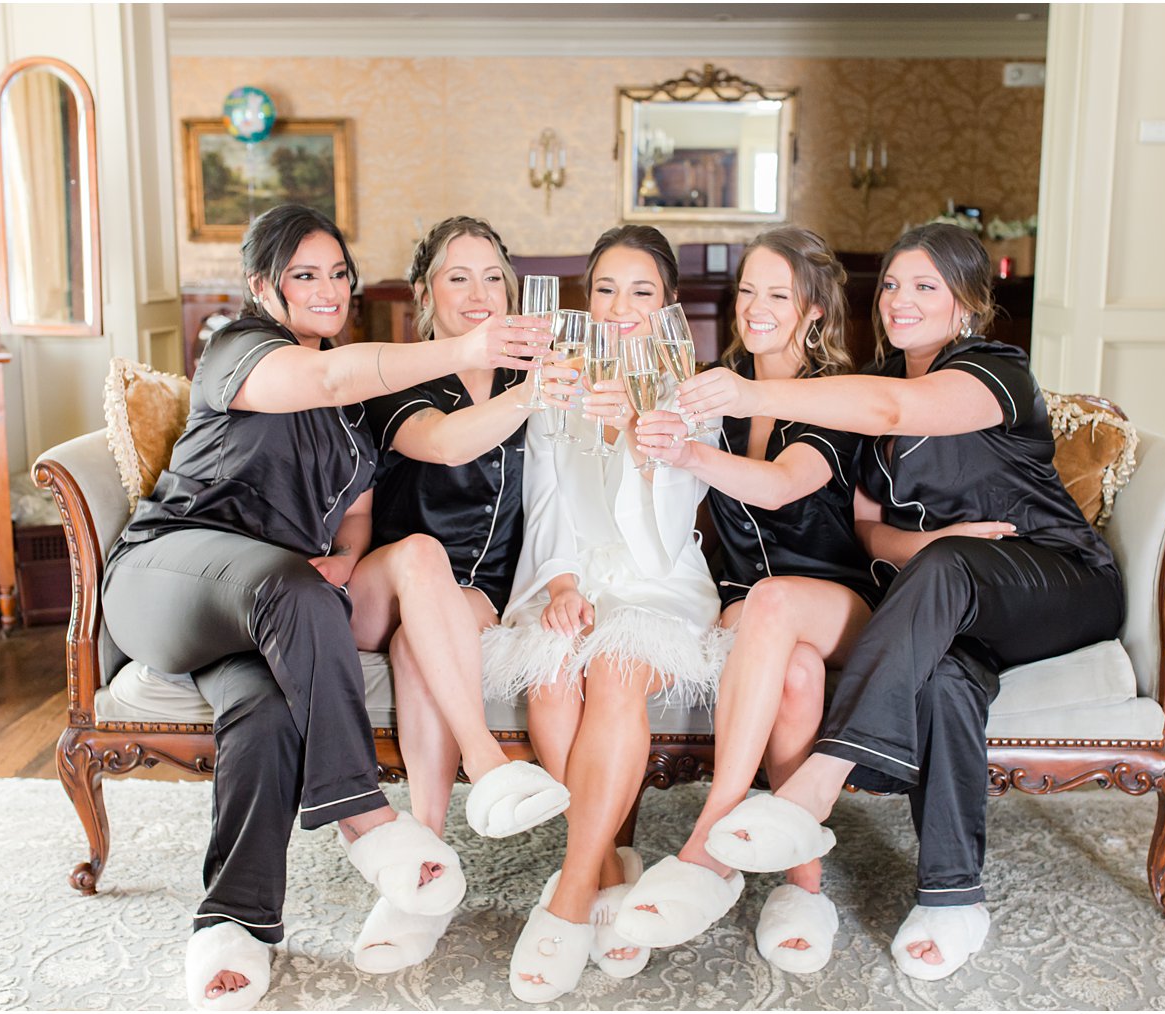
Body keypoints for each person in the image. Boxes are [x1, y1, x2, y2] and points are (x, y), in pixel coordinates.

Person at [99, 204, 563, 1011]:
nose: (328, 289)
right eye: (304, 274)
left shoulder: (356, 400)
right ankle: (366, 823)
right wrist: (464, 346)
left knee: (270, 710)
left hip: (267, 609)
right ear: (262, 286)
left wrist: (351, 558)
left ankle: (232, 921)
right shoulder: (239, 348)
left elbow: (354, 507)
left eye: (339, 274)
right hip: (168, 576)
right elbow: (327, 378)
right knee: (290, 585)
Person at [658, 222, 1125, 981]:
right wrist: (946, 546)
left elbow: (899, 412)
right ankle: (952, 896)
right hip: (949, 597)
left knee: (944, 569)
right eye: (894, 286)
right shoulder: (872, 386)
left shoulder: (995, 371)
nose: (902, 300)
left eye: (926, 286)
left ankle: (822, 775)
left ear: (968, 303)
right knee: (944, 674)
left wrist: (749, 387)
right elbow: (872, 535)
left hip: (1056, 578)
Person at [616, 227, 873, 974]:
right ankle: (804, 885)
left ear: (815, 311)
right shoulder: (714, 386)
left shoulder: (833, 398)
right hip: (750, 606)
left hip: (841, 605)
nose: (756, 307)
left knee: (772, 608)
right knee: (792, 672)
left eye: (778, 295)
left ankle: (711, 836)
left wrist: (689, 451)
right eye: (748, 291)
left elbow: (786, 483)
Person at [481, 225, 723, 1002]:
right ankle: (614, 862)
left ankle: (571, 895)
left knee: (616, 668)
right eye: (607, 291)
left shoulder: (695, 392)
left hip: (658, 581)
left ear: (668, 306)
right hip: (572, 575)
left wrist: (630, 426)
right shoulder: (559, 383)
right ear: (586, 303)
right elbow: (546, 506)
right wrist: (558, 587)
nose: (621, 308)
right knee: (552, 676)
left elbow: (668, 524)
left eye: (642, 292)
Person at [346, 216, 574, 972]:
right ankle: (487, 760)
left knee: (426, 638)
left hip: (472, 594)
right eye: (457, 277)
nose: (479, 294)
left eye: (491, 278)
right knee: (418, 556)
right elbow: (442, 444)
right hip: (380, 581)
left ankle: (426, 864)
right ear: (426, 294)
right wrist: (537, 393)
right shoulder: (398, 371)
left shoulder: (526, 376)